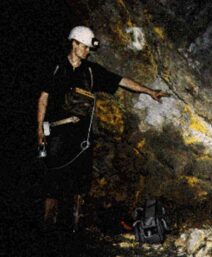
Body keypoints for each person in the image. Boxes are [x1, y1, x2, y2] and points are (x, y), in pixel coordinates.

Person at [37, 26, 167, 231]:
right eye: (84, 47)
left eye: (89, 48)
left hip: (81, 137)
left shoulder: (91, 71)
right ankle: (46, 225)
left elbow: (121, 80)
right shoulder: (55, 67)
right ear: (74, 43)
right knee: (52, 180)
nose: (87, 51)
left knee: (80, 181)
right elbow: (43, 99)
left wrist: (148, 90)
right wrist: (40, 131)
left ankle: (74, 227)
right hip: (57, 133)